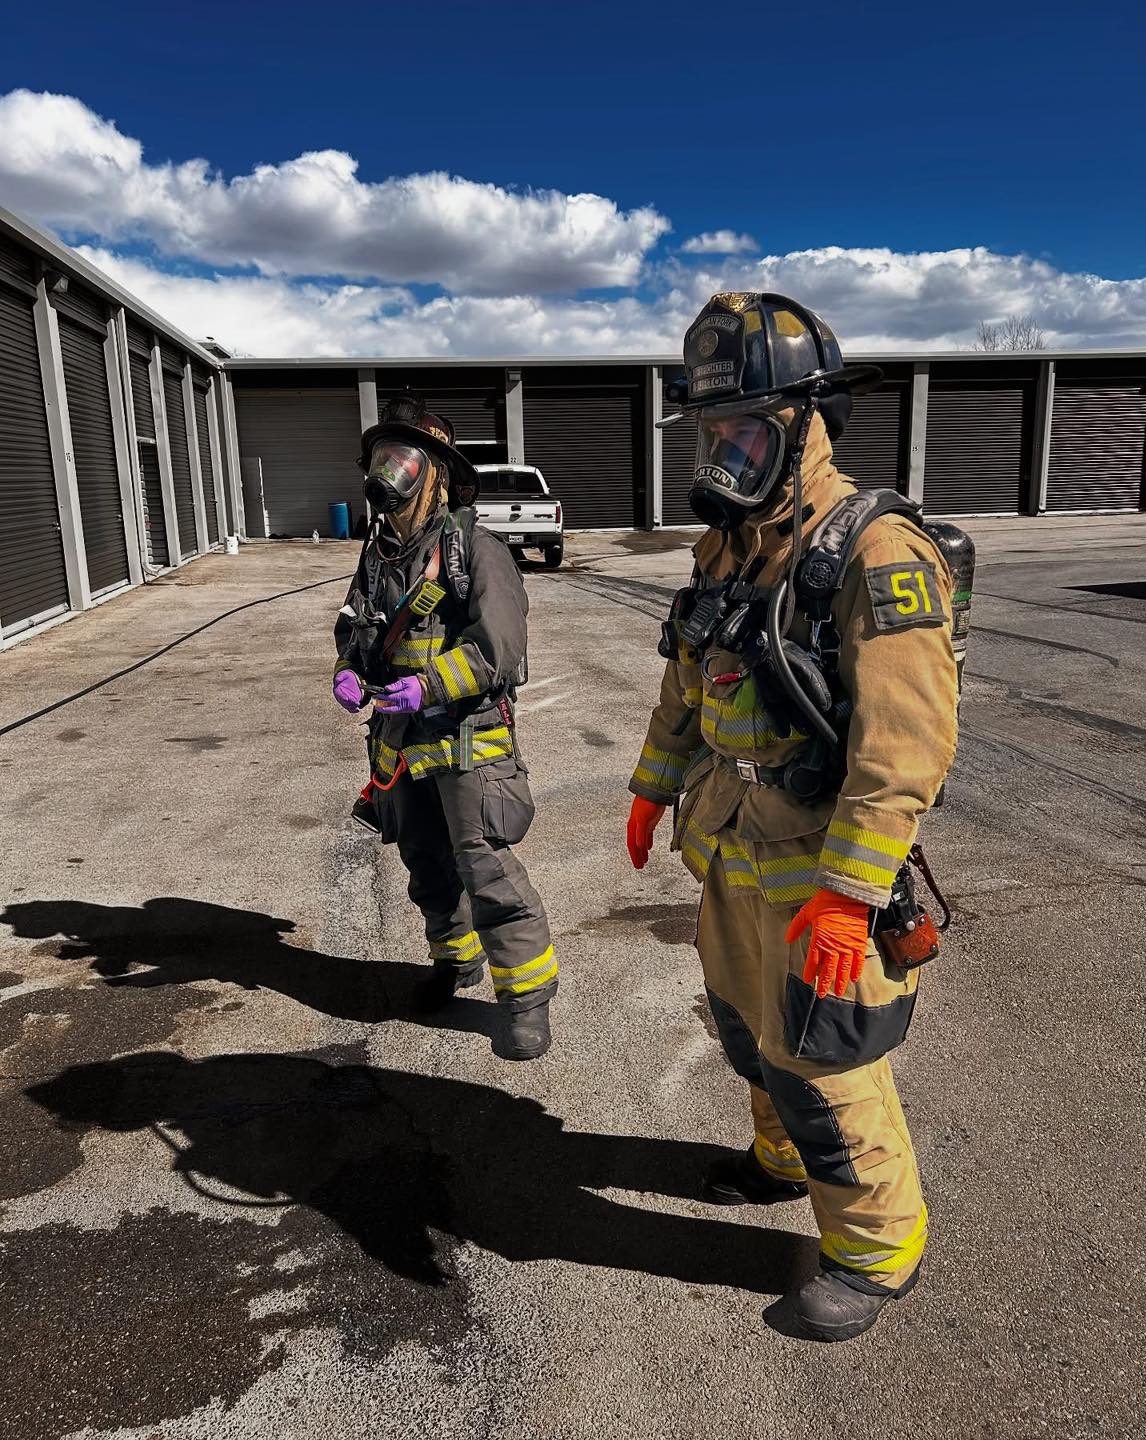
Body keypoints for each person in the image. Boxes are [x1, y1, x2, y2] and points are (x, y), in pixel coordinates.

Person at [627, 293, 959, 1340]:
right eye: (715, 432)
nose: (725, 453)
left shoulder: (875, 552)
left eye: (747, 431)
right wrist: (650, 784)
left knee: (826, 1057)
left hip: (820, 871)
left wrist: (853, 896)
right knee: (746, 1030)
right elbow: (688, 675)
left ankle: (876, 1248)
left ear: (808, 423)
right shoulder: (725, 551)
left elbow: (905, 748)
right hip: (729, 845)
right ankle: (779, 1164)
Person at [333, 395, 556, 1060]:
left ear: (434, 473)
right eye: (381, 457)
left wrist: (430, 684)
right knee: (426, 865)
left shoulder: (474, 550)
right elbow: (356, 627)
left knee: (485, 867)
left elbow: (502, 649)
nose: (387, 471)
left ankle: (526, 1002)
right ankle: (455, 964)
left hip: (466, 741)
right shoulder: (376, 555)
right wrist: (347, 667)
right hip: (399, 744)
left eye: (402, 458)